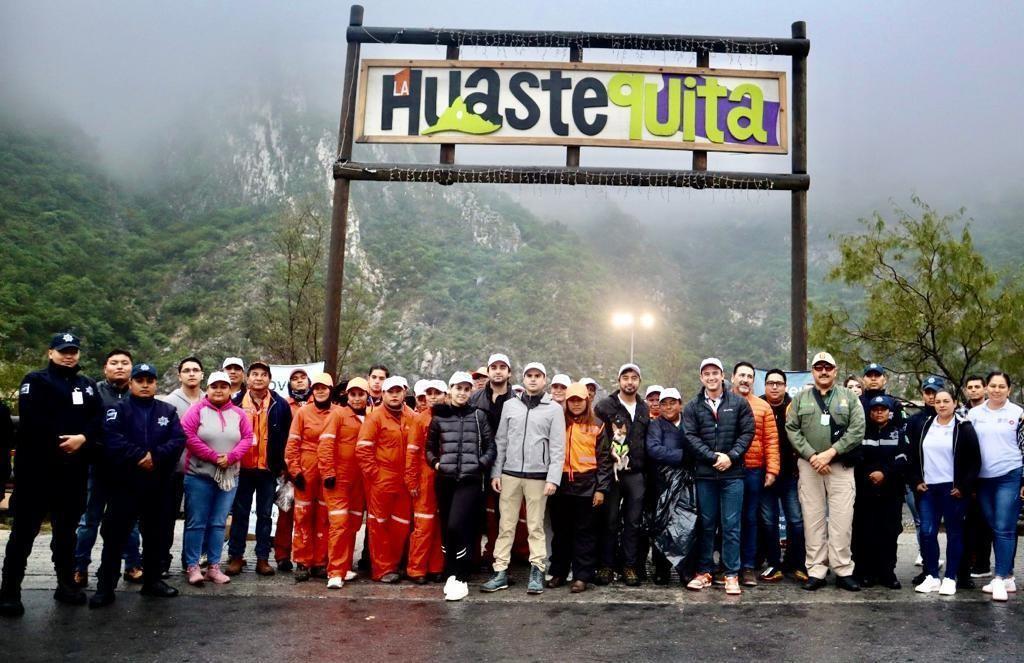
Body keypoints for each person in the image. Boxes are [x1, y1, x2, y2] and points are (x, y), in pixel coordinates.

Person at [0, 332, 103, 618]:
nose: (69, 355)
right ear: (50, 353)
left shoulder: (88, 385)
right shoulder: (35, 381)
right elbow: (32, 420)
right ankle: (9, 590)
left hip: (73, 472)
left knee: (66, 532)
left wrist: (82, 437)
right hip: (36, 470)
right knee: (24, 531)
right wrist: (62, 442)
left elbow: (97, 419)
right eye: (63, 351)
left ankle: (66, 584)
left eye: (73, 351)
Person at [89, 363, 186, 607]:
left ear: (155, 383)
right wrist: (138, 456)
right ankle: (105, 586)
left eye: (149, 380)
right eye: (140, 380)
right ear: (131, 383)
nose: (145, 384)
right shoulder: (117, 410)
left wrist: (154, 456)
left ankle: (152, 582)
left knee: (156, 535)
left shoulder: (168, 410)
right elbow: (112, 440)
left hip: (158, 483)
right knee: (114, 536)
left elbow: (178, 440)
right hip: (125, 484)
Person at [481, 362, 565, 595]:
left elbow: (558, 447)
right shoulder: (510, 406)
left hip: (538, 477)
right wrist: (496, 472)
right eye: (529, 375)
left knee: (535, 526)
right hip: (509, 475)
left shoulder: (554, 409)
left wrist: (553, 478)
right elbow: (501, 441)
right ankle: (500, 571)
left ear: (544, 379)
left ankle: (537, 569)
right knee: (505, 525)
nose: (533, 379)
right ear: (523, 378)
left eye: (538, 376)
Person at [786, 351, 865, 592]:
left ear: (835, 370)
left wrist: (830, 453)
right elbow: (791, 428)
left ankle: (843, 570)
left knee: (842, 521)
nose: (823, 371)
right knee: (813, 520)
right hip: (809, 467)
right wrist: (812, 456)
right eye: (818, 367)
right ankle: (816, 570)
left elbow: (858, 428)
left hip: (839, 466)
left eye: (827, 367)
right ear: (813, 371)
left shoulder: (849, 398)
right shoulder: (800, 399)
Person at [682, 358, 754, 596]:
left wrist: (731, 457)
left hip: (733, 475)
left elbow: (747, 432)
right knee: (706, 525)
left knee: (732, 525)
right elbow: (690, 436)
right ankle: (704, 572)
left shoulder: (739, 403)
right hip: (705, 476)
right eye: (706, 374)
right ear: (701, 377)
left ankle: (731, 574)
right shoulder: (692, 406)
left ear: (722, 375)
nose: (711, 377)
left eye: (715, 373)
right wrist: (713, 457)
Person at [73, 349, 143, 587]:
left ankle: (132, 564)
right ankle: (79, 567)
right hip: (98, 466)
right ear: (105, 368)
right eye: (114, 363)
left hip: (128, 467)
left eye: (125, 363)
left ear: (132, 368)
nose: (120, 367)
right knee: (89, 520)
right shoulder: (94, 392)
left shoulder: (139, 394)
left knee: (130, 521)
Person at [426, 372, 496, 600]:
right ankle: (451, 572)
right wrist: (436, 464)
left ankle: (461, 575)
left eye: (466, 389)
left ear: (471, 391)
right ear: (450, 389)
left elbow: (490, 447)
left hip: (469, 480)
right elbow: (429, 448)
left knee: (459, 525)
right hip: (445, 480)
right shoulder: (438, 417)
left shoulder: (479, 416)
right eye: (458, 388)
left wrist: (479, 465)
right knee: (447, 527)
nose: (462, 392)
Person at [180, 371, 253, 586]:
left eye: (223, 386)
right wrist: (213, 456)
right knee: (196, 523)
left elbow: (248, 437)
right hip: (199, 476)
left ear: (230, 389)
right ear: (208, 388)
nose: (219, 390)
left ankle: (213, 566)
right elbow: (187, 435)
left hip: (229, 477)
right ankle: (193, 566)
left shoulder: (239, 414)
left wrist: (231, 457)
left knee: (219, 523)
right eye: (214, 386)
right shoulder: (197, 411)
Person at [908, 388, 981, 596]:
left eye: (946, 401)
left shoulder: (964, 427)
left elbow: (975, 461)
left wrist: (963, 487)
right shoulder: (925, 426)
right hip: (929, 489)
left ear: (955, 402)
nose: (941, 405)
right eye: (938, 401)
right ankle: (932, 576)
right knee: (928, 532)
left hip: (953, 490)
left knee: (954, 533)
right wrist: (917, 482)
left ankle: (950, 577)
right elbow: (914, 455)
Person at [226, 360, 292, 577]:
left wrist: (282, 466)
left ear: (270, 379)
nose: (259, 378)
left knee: (265, 515)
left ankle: (263, 558)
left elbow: (287, 437)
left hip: (268, 469)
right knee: (240, 513)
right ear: (247, 378)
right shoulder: (234, 402)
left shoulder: (280, 404)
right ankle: (236, 556)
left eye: (263, 374)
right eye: (254, 374)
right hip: (242, 468)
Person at [966, 371, 1024, 602]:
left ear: (1009, 390)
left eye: (1002, 386)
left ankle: (999, 578)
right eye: (993, 385)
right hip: (983, 479)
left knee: (1003, 526)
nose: (997, 390)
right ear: (986, 388)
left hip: (1009, 475)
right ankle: (1008, 574)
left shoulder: (1018, 413)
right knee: (994, 525)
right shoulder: (974, 413)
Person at [548, 383, 611, 593]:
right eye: (572, 400)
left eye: (579, 400)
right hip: (561, 484)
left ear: (587, 401)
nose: (575, 404)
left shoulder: (598, 425)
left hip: (587, 485)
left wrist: (601, 489)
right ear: (566, 402)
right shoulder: (558, 422)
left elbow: (604, 460)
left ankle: (582, 576)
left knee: (585, 533)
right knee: (561, 532)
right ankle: (558, 572)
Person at [593, 363, 650, 586]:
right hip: (612, 473)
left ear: (639, 381)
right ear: (618, 381)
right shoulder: (605, 406)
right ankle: (606, 565)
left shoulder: (644, 408)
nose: (629, 382)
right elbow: (596, 439)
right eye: (625, 377)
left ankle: (629, 566)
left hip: (635, 473)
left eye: (634, 378)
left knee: (633, 522)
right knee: (609, 521)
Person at [357, 375, 415, 582]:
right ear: (383, 394)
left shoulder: (412, 416)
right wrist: (376, 475)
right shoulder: (375, 417)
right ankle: (382, 570)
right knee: (379, 525)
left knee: (401, 525)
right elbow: (363, 450)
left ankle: (396, 564)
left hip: (405, 481)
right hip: (382, 480)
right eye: (390, 391)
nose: (394, 395)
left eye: (398, 391)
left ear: (404, 393)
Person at [318, 377, 372, 588]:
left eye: (361, 394)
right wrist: (328, 472)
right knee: (339, 525)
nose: (357, 398)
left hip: (360, 481)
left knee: (353, 524)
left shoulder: (370, 417)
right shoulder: (338, 414)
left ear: (367, 396)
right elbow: (325, 444)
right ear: (346, 396)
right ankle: (335, 572)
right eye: (353, 394)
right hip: (338, 480)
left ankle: (345, 566)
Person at [730, 362, 780, 587]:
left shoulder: (762, 407)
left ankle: (748, 566)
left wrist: (772, 469)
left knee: (750, 519)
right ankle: (729, 564)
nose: (745, 380)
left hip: (753, 470)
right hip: (728, 470)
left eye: (749, 376)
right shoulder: (723, 403)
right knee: (729, 520)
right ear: (732, 378)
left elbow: (771, 440)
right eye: (741, 375)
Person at [285, 373, 339, 582]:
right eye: (316, 387)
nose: (320, 391)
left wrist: (334, 472)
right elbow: (292, 445)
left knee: (325, 517)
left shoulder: (339, 413)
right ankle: (302, 561)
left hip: (329, 471)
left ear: (330, 389)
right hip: (306, 470)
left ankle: (320, 562)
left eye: (324, 387)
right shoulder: (303, 413)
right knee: (303, 516)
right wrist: (295, 471)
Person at [851, 395, 908, 590]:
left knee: (889, 533)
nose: (879, 412)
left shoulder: (898, 433)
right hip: (865, 492)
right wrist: (870, 474)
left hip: (891, 493)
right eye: (875, 409)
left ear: (890, 412)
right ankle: (866, 572)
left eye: (883, 409)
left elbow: (902, 459)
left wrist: (884, 472)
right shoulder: (862, 432)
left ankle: (887, 573)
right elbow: (857, 458)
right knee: (865, 532)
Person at [758, 369, 807, 583]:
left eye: (779, 383)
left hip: (790, 475)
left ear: (786, 386)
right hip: (766, 475)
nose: (775, 386)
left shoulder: (795, 406)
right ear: (765, 386)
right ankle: (774, 564)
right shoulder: (758, 405)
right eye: (770, 383)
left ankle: (795, 563)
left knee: (796, 521)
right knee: (768, 522)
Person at [469, 353, 517, 567]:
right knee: (475, 511)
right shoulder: (475, 398)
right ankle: (472, 557)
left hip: (507, 464)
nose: (498, 370)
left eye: (502, 367)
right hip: (479, 463)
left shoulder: (518, 400)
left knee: (503, 513)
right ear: (488, 371)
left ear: (509, 372)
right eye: (494, 367)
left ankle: (500, 557)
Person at [159, 356, 204, 576]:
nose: (191, 373)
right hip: (174, 469)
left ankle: (191, 561)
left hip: (201, 470)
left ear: (202, 374)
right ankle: (162, 561)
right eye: (186, 370)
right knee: (167, 517)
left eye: (196, 370)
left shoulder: (209, 399)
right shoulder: (169, 402)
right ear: (180, 375)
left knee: (195, 519)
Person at [645, 388, 694, 584]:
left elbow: (697, 444)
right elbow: (654, 449)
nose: (668, 407)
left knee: (687, 524)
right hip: (662, 483)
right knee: (662, 524)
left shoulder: (689, 423)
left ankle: (685, 568)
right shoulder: (656, 425)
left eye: (672, 402)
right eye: (664, 403)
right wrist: (683, 456)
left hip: (687, 484)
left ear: (680, 404)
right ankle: (661, 568)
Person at [404, 379, 448, 584]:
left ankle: (436, 567)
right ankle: (416, 569)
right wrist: (412, 481)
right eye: (429, 393)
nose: (432, 396)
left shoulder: (451, 417)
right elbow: (412, 453)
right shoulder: (420, 420)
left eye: (437, 392)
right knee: (423, 525)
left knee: (440, 524)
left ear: (445, 395)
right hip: (424, 480)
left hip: (446, 478)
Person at [904, 376, 943, 584]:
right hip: (921, 484)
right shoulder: (914, 420)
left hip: (948, 485)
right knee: (925, 527)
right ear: (923, 395)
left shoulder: (955, 419)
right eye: (928, 392)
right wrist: (915, 480)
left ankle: (959, 574)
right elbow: (908, 454)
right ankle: (929, 569)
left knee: (954, 528)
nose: (932, 396)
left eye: (936, 392)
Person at [275, 367, 312, 572]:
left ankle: (304, 557)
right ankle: (281, 555)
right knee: (286, 512)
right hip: (290, 469)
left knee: (307, 515)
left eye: (302, 378)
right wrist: (284, 466)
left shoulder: (319, 405)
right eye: (295, 379)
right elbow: (280, 437)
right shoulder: (283, 405)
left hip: (312, 469)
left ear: (309, 382)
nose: (299, 381)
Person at [961, 375, 994, 581]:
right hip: (969, 475)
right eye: (970, 387)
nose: (973, 390)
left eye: (977, 387)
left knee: (987, 521)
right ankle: (969, 561)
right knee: (969, 522)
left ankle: (984, 563)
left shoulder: (992, 411)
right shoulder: (961, 413)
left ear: (985, 390)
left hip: (992, 473)